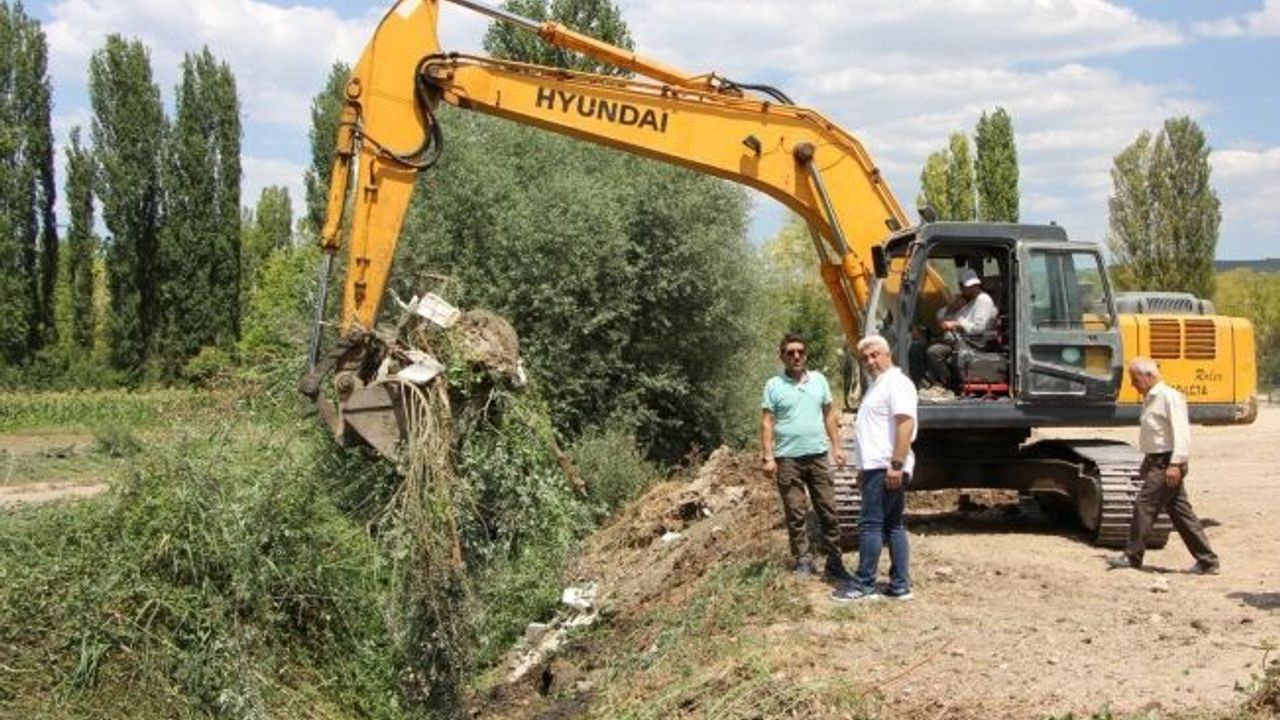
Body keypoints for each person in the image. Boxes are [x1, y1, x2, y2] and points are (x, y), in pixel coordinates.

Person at [1108, 357, 1220, 574]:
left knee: (1144, 505)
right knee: (1181, 512)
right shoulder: (1151, 398)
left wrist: (1176, 464)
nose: (1132, 384)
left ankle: (1132, 556)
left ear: (1147, 376)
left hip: (1167, 463)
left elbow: (1181, 433)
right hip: (1158, 461)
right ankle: (1207, 561)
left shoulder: (1169, 397)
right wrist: (1146, 461)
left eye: (1134, 379)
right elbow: (1157, 435)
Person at [831, 334, 918, 602]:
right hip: (876, 466)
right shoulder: (878, 385)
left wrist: (896, 464)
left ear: (887, 354)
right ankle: (900, 586)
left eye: (874, 355)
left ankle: (864, 585)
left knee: (870, 525)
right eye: (865, 358)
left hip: (885, 466)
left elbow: (905, 424)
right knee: (893, 525)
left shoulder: (897, 383)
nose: (870, 361)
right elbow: (874, 431)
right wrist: (862, 469)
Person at [761, 333, 852, 581]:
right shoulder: (773, 385)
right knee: (795, 512)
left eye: (800, 351)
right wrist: (768, 457)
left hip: (818, 456)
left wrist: (838, 447)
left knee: (828, 509)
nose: (796, 356)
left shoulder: (819, 381)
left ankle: (835, 561)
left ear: (806, 354)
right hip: (787, 458)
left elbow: (829, 415)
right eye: (790, 352)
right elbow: (768, 422)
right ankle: (803, 560)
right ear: (782, 357)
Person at [925, 267, 997, 391]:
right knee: (924, 344)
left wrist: (957, 324)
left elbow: (978, 328)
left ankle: (947, 385)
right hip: (958, 339)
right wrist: (951, 307)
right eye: (967, 286)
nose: (972, 288)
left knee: (934, 351)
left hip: (971, 343)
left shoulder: (983, 300)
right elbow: (940, 317)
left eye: (974, 285)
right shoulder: (964, 300)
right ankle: (936, 381)